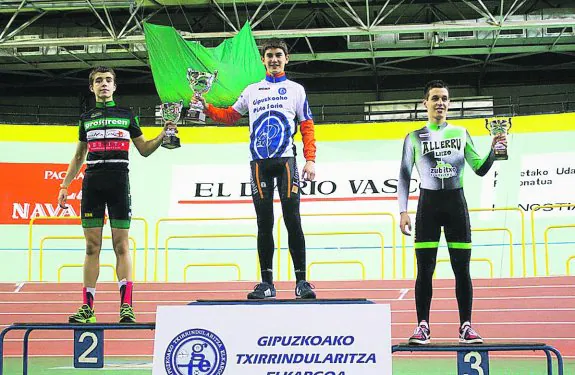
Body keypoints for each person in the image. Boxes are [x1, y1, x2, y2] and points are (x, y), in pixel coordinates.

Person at [193, 38, 317, 300]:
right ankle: (267, 283)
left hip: (286, 161)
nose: (274, 60)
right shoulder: (252, 90)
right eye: (269, 55)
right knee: (264, 224)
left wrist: (310, 159)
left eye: (279, 55)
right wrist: (207, 107)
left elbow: (307, 125)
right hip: (259, 164)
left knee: (293, 221)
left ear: (286, 59)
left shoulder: (296, 89)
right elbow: (230, 116)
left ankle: (302, 282)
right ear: (263, 60)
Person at [58, 66, 177, 323]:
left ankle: (126, 307)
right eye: (98, 81)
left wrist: (163, 134)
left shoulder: (126, 115)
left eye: (108, 80)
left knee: (121, 245)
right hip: (92, 183)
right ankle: (88, 308)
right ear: (92, 88)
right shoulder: (86, 118)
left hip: (118, 182)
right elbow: (79, 156)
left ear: (115, 86)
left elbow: (144, 149)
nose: (103, 84)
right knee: (92, 247)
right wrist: (65, 186)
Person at [398, 80, 506, 344]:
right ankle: (422, 326)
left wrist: (494, 150)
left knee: (462, 269)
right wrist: (403, 211)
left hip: (456, 205)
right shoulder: (413, 137)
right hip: (428, 207)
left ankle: (466, 326)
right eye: (435, 98)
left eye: (445, 98)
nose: (440, 103)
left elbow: (479, 168)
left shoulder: (460, 133)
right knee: (425, 269)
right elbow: (403, 175)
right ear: (425, 103)